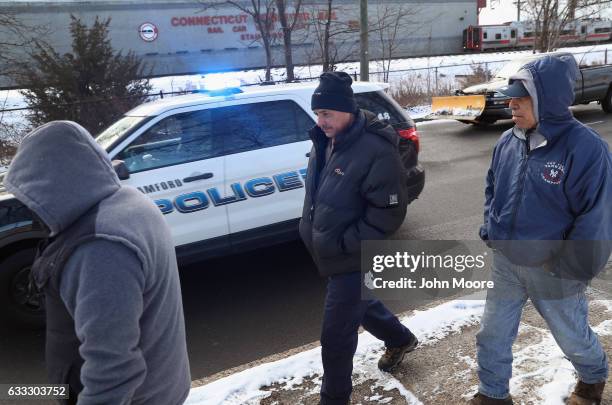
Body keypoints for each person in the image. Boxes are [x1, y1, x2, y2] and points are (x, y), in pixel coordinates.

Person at [4, 121, 191, 405]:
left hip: (139, 398)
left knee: (11, 395)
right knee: (12, 394)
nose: (29, 206)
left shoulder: (101, 247)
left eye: (29, 195)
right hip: (158, 387)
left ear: (52, 186)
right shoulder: (128, 202)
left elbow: (113, 370)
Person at [473, 55, 611, 404]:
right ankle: (492, 394)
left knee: (571, 337)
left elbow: (597, 217)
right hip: (506, 261)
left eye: (521, 98)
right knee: (492, 333)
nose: (511, 104)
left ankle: (593, 378)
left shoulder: (586, 149)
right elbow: (493, 187)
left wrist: (571, 268)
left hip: (555, 268)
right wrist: (492, 227)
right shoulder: (508, 140)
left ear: (547, 100)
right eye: (511, 97)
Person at [299, 72, 418, 405]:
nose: (320, 120)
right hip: (332, 251)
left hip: (356, 254)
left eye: (326, 113)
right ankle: (401, 338)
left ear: (347, 110)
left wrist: (345, 243)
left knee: (335, 337)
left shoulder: (375, 150)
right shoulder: (324, 140)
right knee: (359, 304)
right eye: (317, 113)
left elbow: (388, 214)